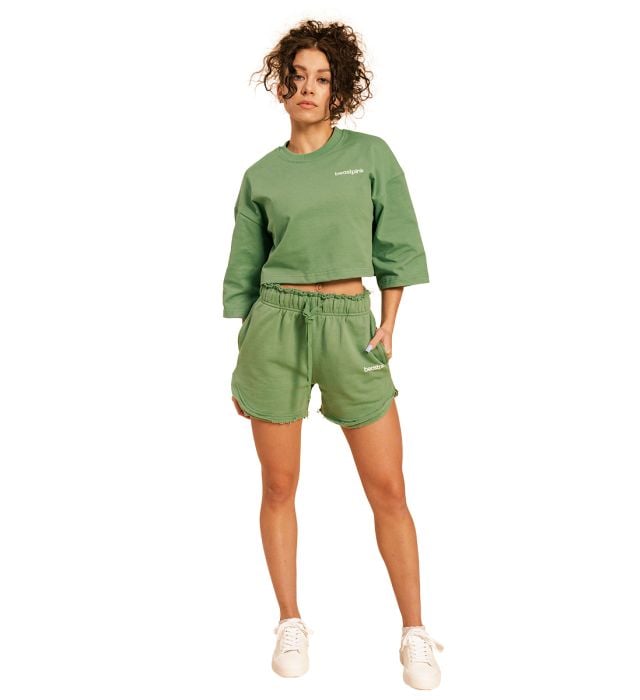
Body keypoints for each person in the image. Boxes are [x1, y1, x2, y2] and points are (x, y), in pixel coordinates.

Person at [222, 19, 444, 690]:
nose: (307, 88)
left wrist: (390, 322)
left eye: (321, 78)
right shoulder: (261, 175)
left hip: (352, 328)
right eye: (297, 77)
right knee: (278, 485)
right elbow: (245, 272)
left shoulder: (370, 155)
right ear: (281, 85)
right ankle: (289, 621)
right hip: (275, 328)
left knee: (389, 489)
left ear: (339, 89)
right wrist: (246, 355)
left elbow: (397, 244)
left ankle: (415, 631)